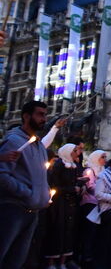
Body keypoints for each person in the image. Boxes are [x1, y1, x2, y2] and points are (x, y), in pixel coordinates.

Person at [0, 101, 59, 268]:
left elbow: (40, 175)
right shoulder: (13, 141)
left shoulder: (39, 146)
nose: (44, 119)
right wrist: (27, 193)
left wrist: (44, 193)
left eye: (45, 115)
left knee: (16, 260)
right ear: (26, 116)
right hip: (13, 210)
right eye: (40, 114)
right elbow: (2, 175)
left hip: (33, 212)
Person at [45, 143, 84, 269]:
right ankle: (51, 262)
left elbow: (74, 181)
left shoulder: (74, 166)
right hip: (58, 204)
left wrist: (80, 185)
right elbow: (55, 186)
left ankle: (63, 261)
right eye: (74, 151)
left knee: (68, 232)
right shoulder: (59, 166)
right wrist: (73, 188)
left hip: (70, 203)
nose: (76, 153)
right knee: (57, 231)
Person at [80, 150, 107, 266]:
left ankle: (95, 256)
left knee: (97, 233)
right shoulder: (89, 171)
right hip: (90, 204)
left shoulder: (103, 171)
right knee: (89, 232)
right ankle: (86, 257)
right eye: (102, 157)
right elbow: (91, 187)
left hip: (100, 205)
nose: (105, 160)